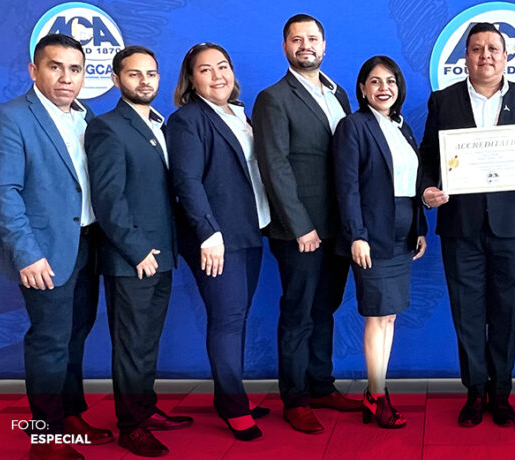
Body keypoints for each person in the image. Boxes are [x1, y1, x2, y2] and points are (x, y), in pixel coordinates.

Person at [419, 22, 515, 427]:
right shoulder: (442, 101)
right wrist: (428, 188)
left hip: (512, 225)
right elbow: (429, 155)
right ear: (464, 57)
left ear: (506, 56)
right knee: (466, 313)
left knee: (505, 312)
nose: (485, 56)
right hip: (460, 224)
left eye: (493, 49)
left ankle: (502, 392)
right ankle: (475, 391)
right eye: (477, 48)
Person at [0, 33, 111, 460]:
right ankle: (46, 437)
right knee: (50, 341)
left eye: (75, 69)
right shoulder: (12, 117)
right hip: (44, 252)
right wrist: (27, 253)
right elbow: (2, 191)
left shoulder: (87, 117)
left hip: (88, 244)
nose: (66, 77)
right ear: (34, 70)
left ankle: (71, 416)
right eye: (55, 67)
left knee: (76, 334)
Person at [252, 13, 360, 435]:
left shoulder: (340, 95)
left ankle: (321, 384)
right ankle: (294, 398)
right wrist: (299, 226)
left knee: (325, 308)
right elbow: (274, 166)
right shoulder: (273, 98)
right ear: (285, 48)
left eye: (312, 38)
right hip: (300, 231)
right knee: (298, 312)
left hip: (339, 227)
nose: (305, 45)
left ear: (324, 45)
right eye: (296, 40)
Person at [84, 45, 194, 457]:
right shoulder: (108, 128)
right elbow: (108, 199)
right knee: (131, 345)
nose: (144, 81)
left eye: (151, 73)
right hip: (133, 259)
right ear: (116, 79)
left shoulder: (159, 127)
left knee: (147, 342)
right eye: (134, 74)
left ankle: (145, 409)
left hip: (162, 254)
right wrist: (136, 250)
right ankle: (131, 425)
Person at [167, 42, 271, 441]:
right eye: (205, 70)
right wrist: (208, 233)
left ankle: (232, 395)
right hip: (215, 239)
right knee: (227, 320)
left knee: (237, 318)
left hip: (249, 231)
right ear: (191, 80)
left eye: (223, 66)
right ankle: (232, 405)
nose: (217, 76)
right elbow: (187, 182)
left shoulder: (241, 115)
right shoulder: (187, 120)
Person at [331, 56, 428, 429]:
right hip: (371, 238)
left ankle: (377, 390)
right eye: (374, 81)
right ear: (362, 89)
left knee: (389, 316)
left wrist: (419, 227)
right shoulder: (353, 126)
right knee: (377, 316)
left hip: (403, 235)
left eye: (390, 80)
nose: (383, 87)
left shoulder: (402, 129)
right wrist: (357, 235)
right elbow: (347, 187)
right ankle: (376, 395)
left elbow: (411, 185)